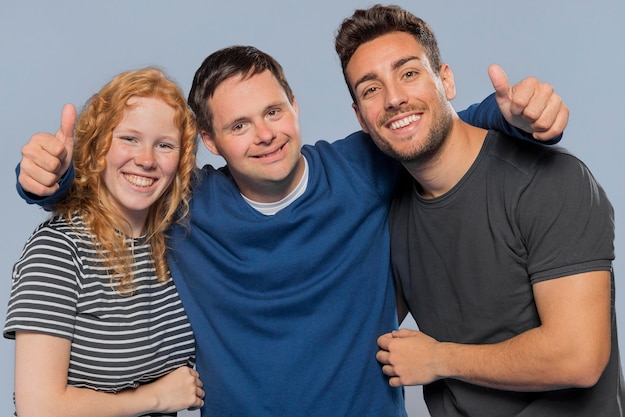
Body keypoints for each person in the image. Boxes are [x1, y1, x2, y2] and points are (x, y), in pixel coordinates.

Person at [14, 46, 567, 416]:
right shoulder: (187, 204)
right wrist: (48, 179)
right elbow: (116, 191)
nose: (265, 135)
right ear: (210, 142)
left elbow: (434, 129)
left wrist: (515, 115)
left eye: (274, 112)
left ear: (296, 106)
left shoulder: (361, 168)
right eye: (238, 125)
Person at [334, 4, 624, 416]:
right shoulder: (392, 214)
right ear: (361, 118)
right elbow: (357, 328)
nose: (394, 98)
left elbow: (578, 357)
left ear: (446, 80)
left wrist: (439, 359)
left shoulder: (548, 181)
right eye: (370, 89)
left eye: (409, 73)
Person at [4, 68, 205, 417]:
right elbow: (39, 407)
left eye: (164, 145)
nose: (146, 159)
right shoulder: (58, 251)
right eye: (129, 138)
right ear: (98, 145)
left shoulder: (176, 239)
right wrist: (157, 397)